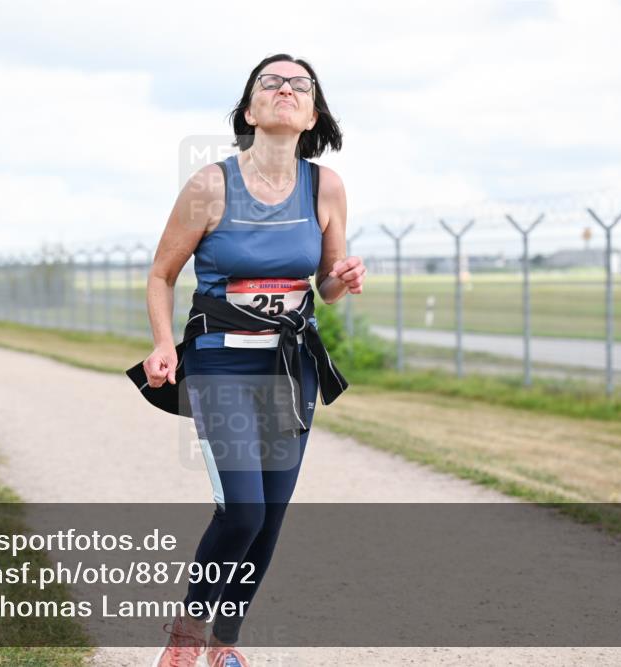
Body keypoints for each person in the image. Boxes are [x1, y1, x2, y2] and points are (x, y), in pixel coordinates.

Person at [132, 54, 365, 667]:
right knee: (243, 510)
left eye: (300, 85)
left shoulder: (327, 187)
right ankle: (184, 642)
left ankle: (224, 650)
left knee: (270, 520)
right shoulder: (210, 185)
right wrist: (163, 344)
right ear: (248, 109)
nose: (286, 89)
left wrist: (342, 276)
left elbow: (328, 283)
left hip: (293, 370)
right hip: (221, 365)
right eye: (272, 82)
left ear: (312, 112)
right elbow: (161, 276)